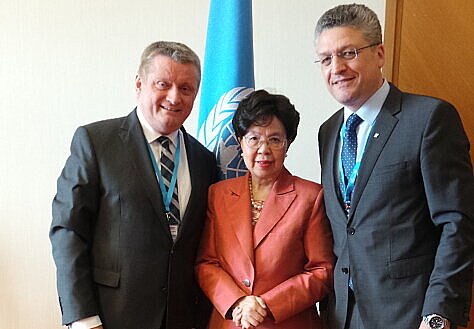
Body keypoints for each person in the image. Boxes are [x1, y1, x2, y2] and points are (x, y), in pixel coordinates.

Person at [314, 4, 474, 329]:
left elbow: (457, 223)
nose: (337, 68)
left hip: (410, 315)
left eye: (348, 53)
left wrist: (438, 314)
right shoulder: (328, 131)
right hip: (340, 316)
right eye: (326, 59)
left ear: (380, 54)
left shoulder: (429, 119)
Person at [50, 41, 218, 329]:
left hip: (183, 319)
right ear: (139, 84)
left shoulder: (204, 159)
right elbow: (68, 230)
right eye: (163, 84)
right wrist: (84, 319)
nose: (174, 97)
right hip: (111, 317)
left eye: (186, 89)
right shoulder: (96, 142)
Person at [195, 89, 335, 329]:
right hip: (231, 320)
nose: (263, 149)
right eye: (254, 138)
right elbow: (206, 263)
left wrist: (265, 304)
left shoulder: (311, 196)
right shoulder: (217, 194)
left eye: (275, 139)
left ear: (287, 144)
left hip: (288, 322)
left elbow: (322, 271)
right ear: (240, 142)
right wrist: (238, 301)